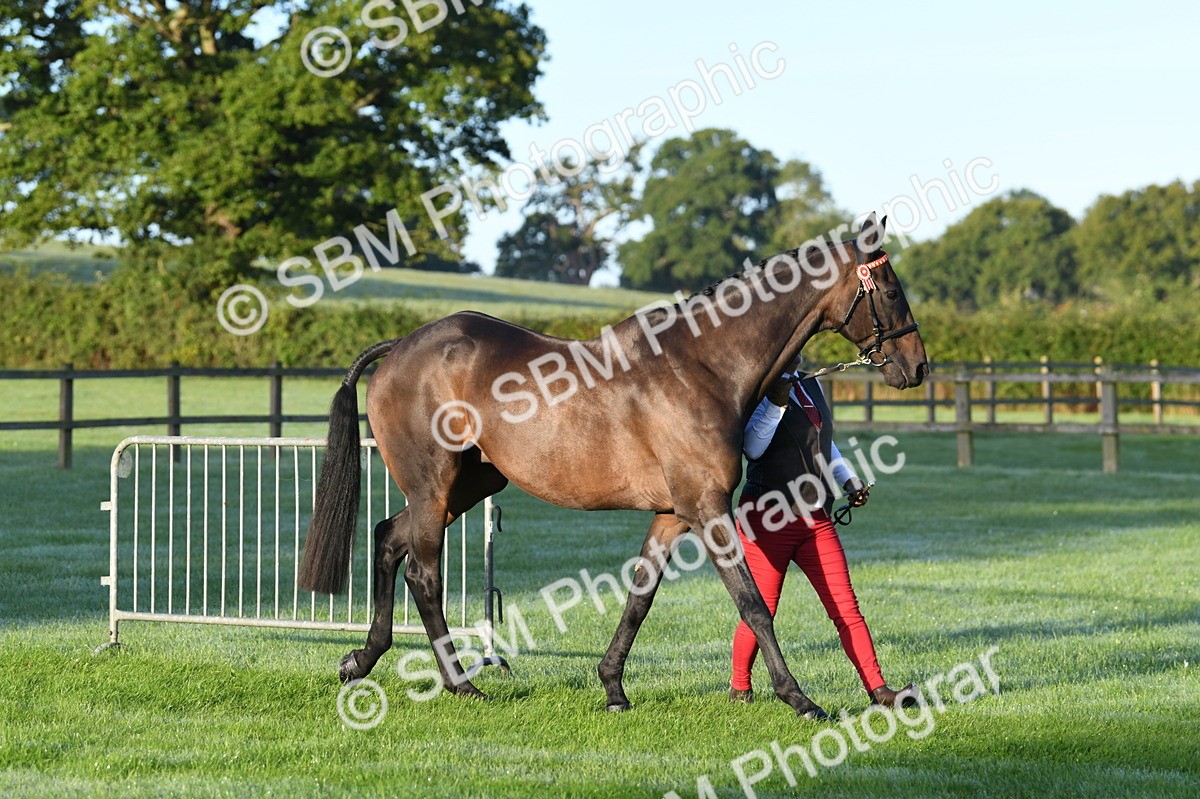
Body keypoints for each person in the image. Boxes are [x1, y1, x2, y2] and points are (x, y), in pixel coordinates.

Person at [729, 353, 915, 708]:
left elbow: (823, 442)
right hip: (768, 517)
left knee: (847, 608)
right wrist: (776, 401)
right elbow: (752, 448)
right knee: (761, 609)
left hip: (815, 516)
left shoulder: (810, 381)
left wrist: (848, 481)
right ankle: (740, 688)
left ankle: (879, 691)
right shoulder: (757, 386)